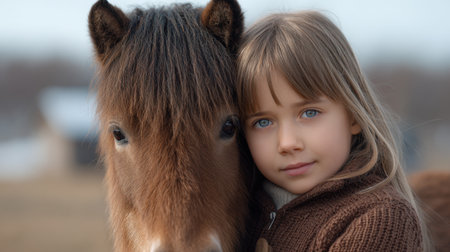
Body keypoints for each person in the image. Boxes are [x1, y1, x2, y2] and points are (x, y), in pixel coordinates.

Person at [237, 11, 432, 251]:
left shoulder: (378, 218)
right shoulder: (236, 211)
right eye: (263, 122)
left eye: (309, 113)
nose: (287, 143)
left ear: (352, 114)